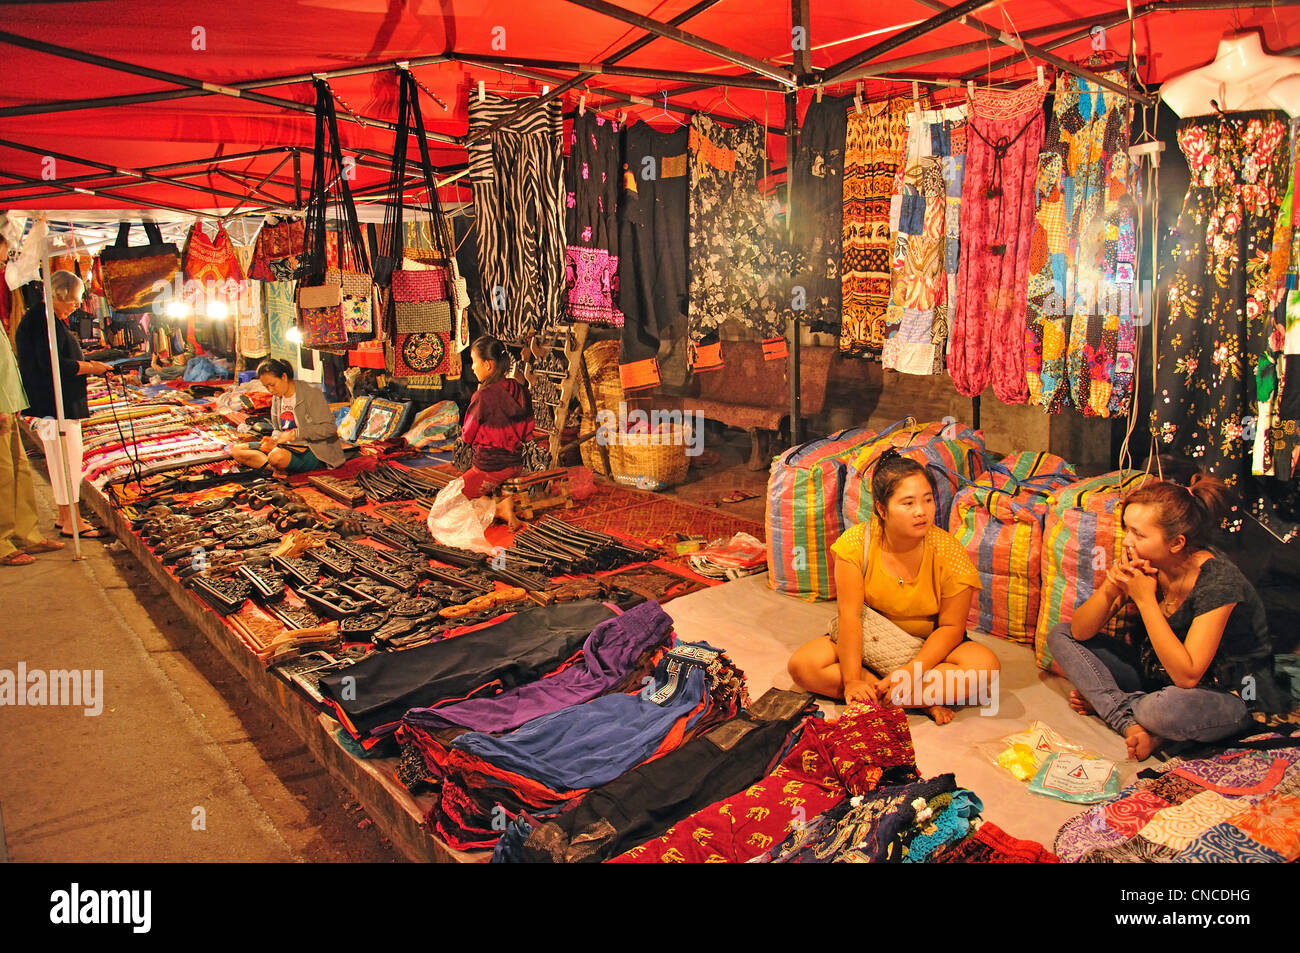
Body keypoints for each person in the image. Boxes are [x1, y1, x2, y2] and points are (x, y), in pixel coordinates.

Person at [1047, 476, 1286, 760]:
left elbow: (1188, 676)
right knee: (1061, 634)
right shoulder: (1146, 562)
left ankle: (1123, 711)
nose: (1127, 541)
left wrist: (1146, 600)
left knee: (1163, 709)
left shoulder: (1219, 583)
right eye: (1126, 529)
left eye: (1138, 534)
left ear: (1176, 543)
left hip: (1229, 692)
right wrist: (1112, 587)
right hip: (1157, 673)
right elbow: (1080, 631)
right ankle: (1131, 722)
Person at [788, 448, 1000, 724]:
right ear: (881, 509)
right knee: (803, 665)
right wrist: (852, 680)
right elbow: (850, 617)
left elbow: (951, 627)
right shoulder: (854, 545)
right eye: (908, 503)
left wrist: (910, 673)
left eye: (927, 500)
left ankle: (890, 695)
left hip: (928, 649)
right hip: (871, 643)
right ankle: (913, 698)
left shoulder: (949, 552)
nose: (921, 512)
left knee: (985, 668)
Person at [13, 269, 111, 538]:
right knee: (66, 462)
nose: (78, 305)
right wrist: (90, 367)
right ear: (59, 295)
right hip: (55, 405)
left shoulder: (44, 319)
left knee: (60, 460)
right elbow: (53, 365)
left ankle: (64, 516)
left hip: (51, 405)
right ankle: (73, 522)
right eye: (75, 299)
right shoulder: (42, 321)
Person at [0, 234, 65, 565]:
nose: (3, 266)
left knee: (18, 469)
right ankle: (2, 543)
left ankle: (24, 533)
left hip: (8, 398)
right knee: (2, 473)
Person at [229, 358, 344, 476]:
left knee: (276, 457)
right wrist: (273, 440)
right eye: (266, 387)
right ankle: (277, 468)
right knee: (237, 450)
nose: (270, 390)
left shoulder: (310, 394)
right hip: (286, 446)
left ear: (283, 377)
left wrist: (295, 434)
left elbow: (329, 428)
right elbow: (277, 429)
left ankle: (276, 466)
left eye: (272, 385)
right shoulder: (277, 397)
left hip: (314, 449)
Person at [458, 335, 535, 498]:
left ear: (488, 365)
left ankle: (501, 509)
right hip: (515, 464)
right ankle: (502, 502)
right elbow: (528, 433)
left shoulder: (483, 397)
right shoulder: (521, 390)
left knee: (449, 500)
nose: (472, 367)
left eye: (474, 361)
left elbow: (467, 435)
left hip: (490, 467)